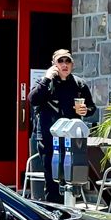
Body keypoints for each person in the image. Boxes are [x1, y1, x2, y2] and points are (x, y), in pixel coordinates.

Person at [28, 49, 96, 201]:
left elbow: (92, 107)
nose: (64, 65)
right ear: (54, 64)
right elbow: (33, 99)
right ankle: (54, 209)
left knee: (72, 177)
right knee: (53, 178)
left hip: (72, 139)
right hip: (49, 138)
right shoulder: (46, 83)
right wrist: (47, 78)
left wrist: (86, 110)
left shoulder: (79, 84)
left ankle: (70, 207)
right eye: (60, 61)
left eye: (68, 61)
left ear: (72, 64)